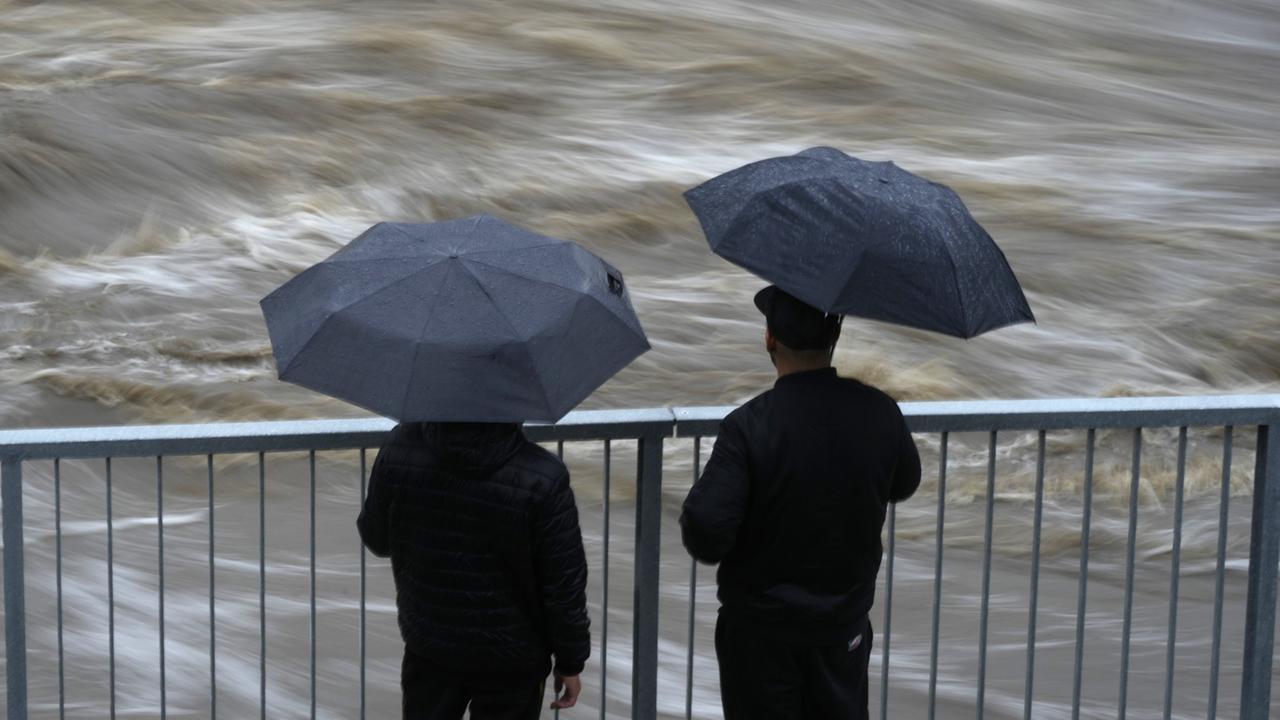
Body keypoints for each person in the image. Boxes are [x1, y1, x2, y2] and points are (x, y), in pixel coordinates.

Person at [680, 285, 921, 720]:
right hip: (841, 629)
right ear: (835, 337)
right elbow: (905, 483)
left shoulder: (748, 426)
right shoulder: (880, 412)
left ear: (769, 337)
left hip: (760, 635)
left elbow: (706, 532)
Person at [358, 421, 590, 719]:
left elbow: (376, 539)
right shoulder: (543, 476)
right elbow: (563, 585)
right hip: (514, 657)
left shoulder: (401, 446)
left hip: (430, 643)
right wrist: (571, 662)